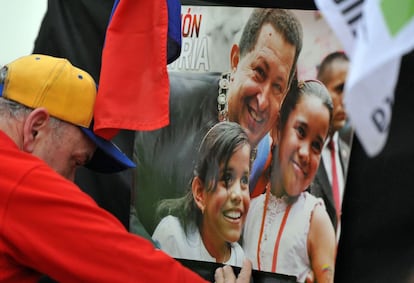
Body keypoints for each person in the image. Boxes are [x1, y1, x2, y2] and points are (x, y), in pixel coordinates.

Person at [0, 54, 252, 282]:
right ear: (35, 128)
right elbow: (125, 265)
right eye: (75, 161)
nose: (71, 183)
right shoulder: (15, 178)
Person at [133, 8, 303, 235]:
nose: (263, 101)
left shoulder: (277, 162)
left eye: (277, 87)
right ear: (235, 60)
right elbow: (120, 203)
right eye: (259, 72)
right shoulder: (165, 101)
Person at [242, 80, 336, 283]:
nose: (305, 153)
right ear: (277, 129)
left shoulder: (316, 220)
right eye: (300, 132)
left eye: (316, 145)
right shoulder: (249, 211)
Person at [152, 121, 251, 266]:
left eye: (244, 180)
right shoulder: (172, 236)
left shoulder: (239, 259)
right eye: (226, 178)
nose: (238, 195)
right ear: (200, 193)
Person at [310, 51, 351, 235]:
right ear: (320, 89)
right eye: (340, 89)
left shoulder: (347, 153)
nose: (346, 100)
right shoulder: (302, 153)